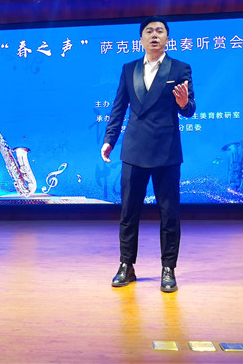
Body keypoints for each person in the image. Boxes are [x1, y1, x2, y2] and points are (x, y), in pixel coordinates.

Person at [101, 17, 196, 291]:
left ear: (167, 38)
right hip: (134, 150)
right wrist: (109, 139)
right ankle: (126, 265)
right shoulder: (128, 68)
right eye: (149, 31)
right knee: (128, 212)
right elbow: (119, 108)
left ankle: (168, 268)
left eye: (160, 31)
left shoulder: (180, 68)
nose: (155, 35)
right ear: (141, 39)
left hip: (166, 151)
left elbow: (190, 109)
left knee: (169, 213)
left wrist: (183, 103)